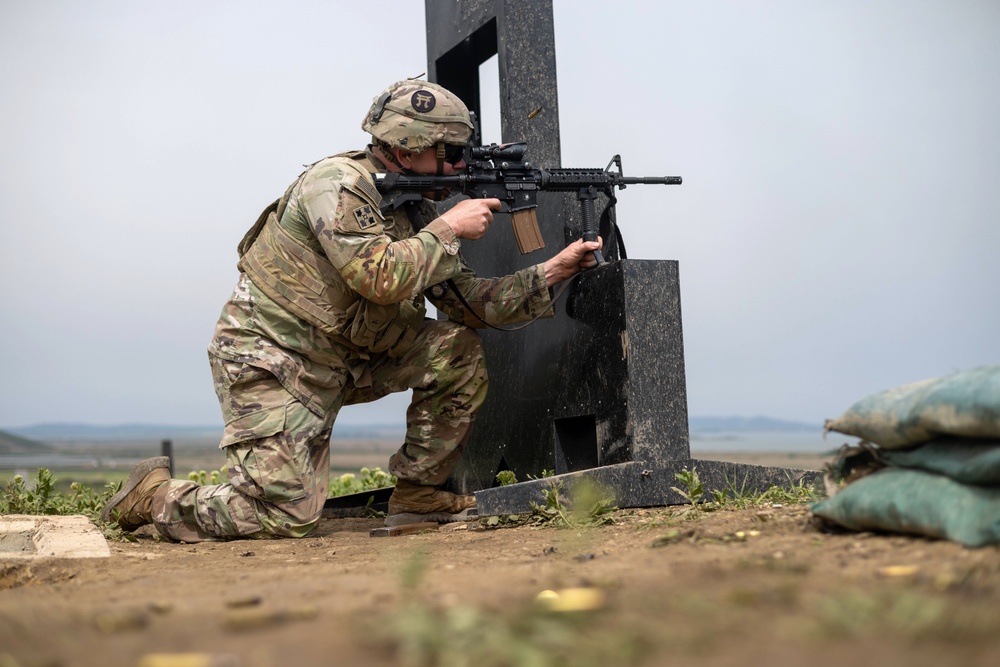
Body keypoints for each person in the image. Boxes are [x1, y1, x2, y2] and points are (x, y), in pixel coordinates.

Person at [101, 79, 602, 541]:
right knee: (285, 518)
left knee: (455, 349)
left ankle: (417, 498)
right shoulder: (336, 186)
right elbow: (378, 277)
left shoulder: (413, 208)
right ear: (409, 147)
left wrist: (553, 271)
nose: (457, 168)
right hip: (276, 364)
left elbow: (467, 305)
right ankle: (156, 498)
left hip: (349, 359)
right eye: (450, 154)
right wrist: (448, 230)